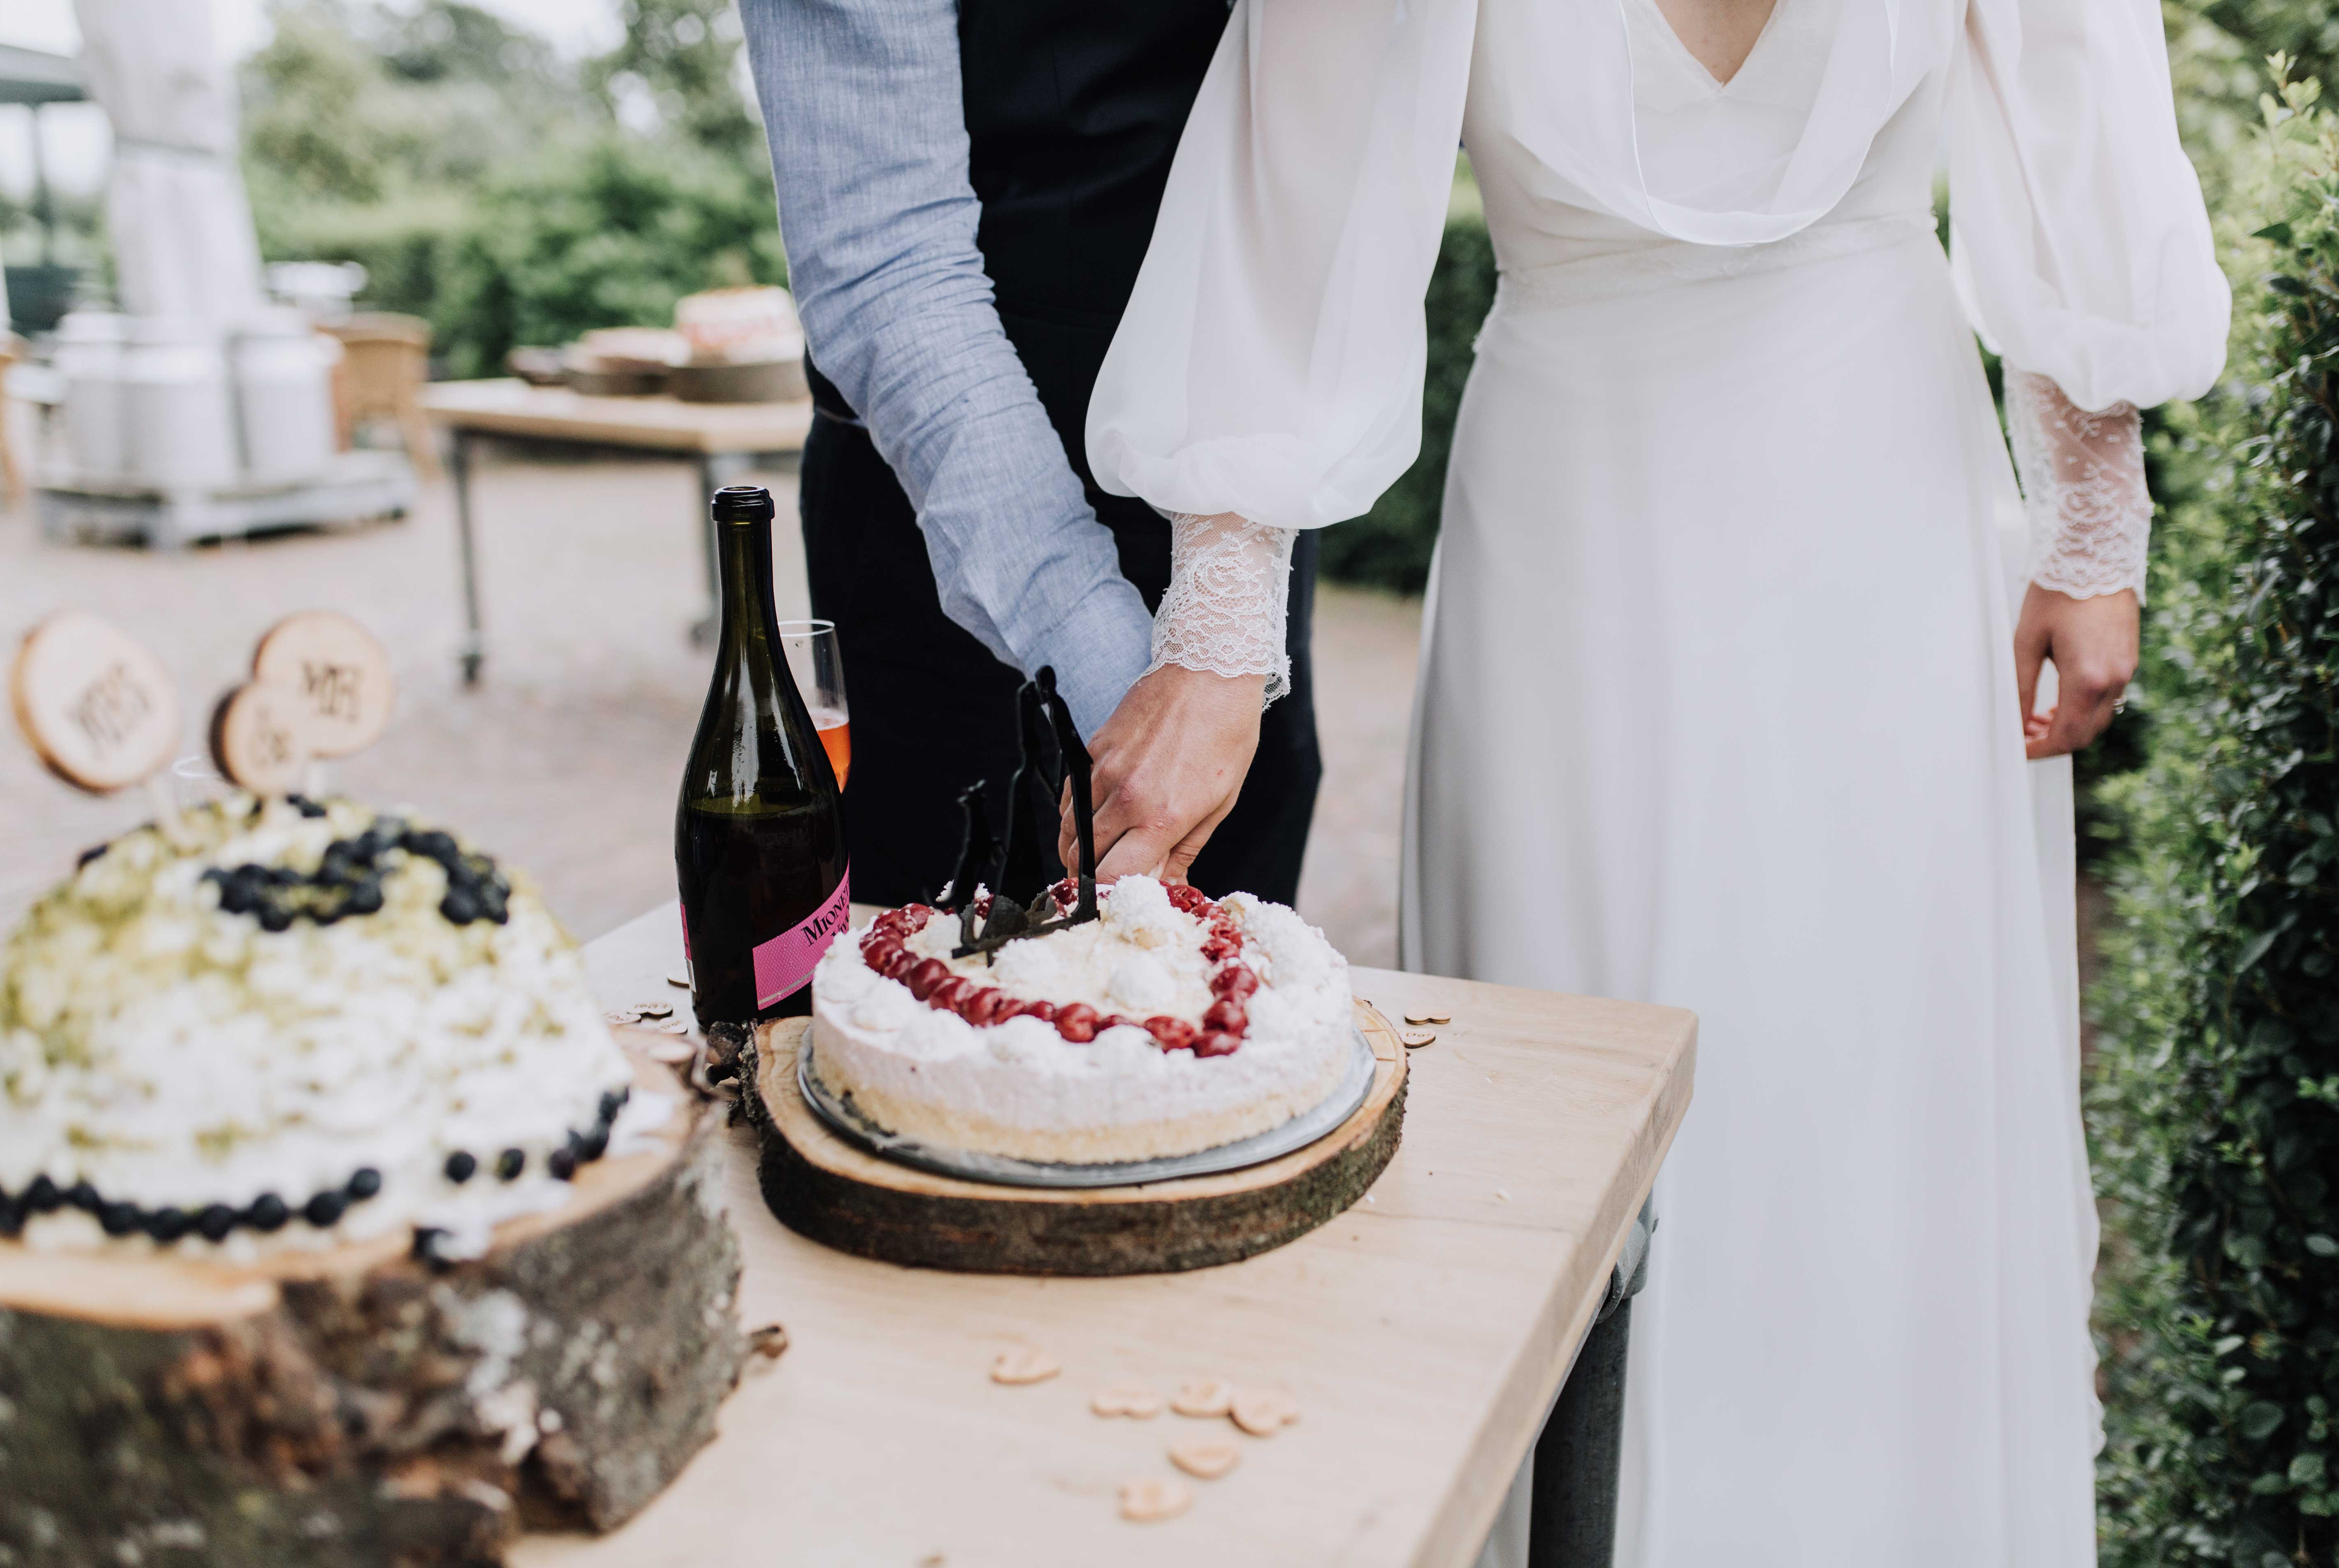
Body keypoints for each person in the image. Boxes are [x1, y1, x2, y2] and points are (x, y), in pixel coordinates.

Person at [1082, 0, 2228, 1561]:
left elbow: (2066, 78)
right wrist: (1220, 639)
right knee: (1582, 1118)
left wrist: (2094, 510)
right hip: (1573, 554)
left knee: (1873, 1101)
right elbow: (1297, 181)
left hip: (1888, 529)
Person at [734, 0, 1322, 909]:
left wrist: (1227, 629)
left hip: (1251, 517)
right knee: (934, 983)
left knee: (1228, 1001)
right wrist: (1129, 677)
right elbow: (883, 254)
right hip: (941, 513)